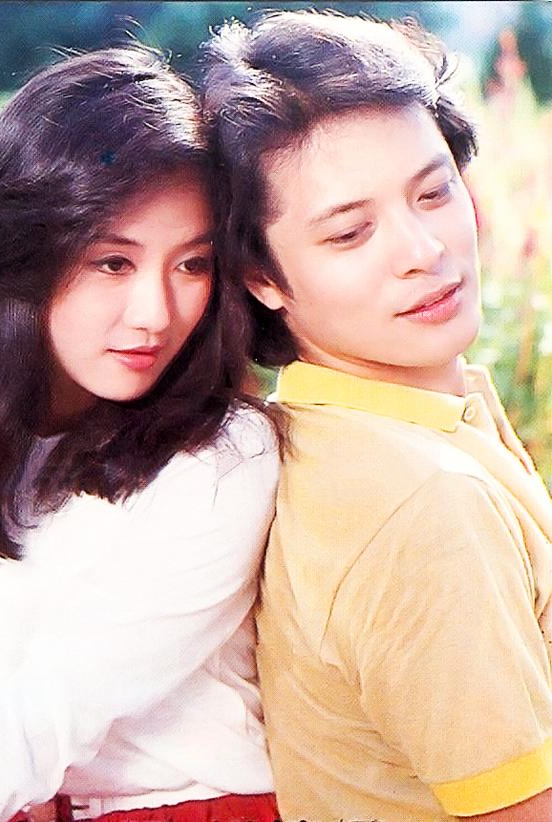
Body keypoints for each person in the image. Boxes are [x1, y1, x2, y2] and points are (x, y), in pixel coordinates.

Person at [0, 44, 281, 822]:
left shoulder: (224, 456)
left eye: (192, 265)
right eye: (113, 263)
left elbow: (50, 715)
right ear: (23, 252)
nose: (155, 314)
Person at [202, 10, 552, 821]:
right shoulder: (422, 505)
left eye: (434, 192)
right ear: (261, 277)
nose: (423, 250)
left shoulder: (356, 431)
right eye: (351, 233)